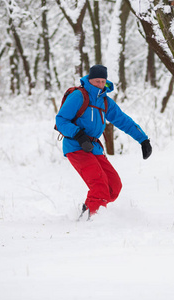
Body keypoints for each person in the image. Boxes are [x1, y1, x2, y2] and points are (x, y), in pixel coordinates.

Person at [55, 64, 152, 219]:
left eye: (102, 81)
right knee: (99, 185)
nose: (100, 84)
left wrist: (143, 139)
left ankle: (88, 209)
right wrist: (79, 135)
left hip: (93, 147)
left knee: (113, 186)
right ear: (90, 80)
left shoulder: (105, 101)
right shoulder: (79, 96)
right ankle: (92, 221)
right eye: (97, 81)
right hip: (75, 146)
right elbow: (61, 120)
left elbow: (123, 120)